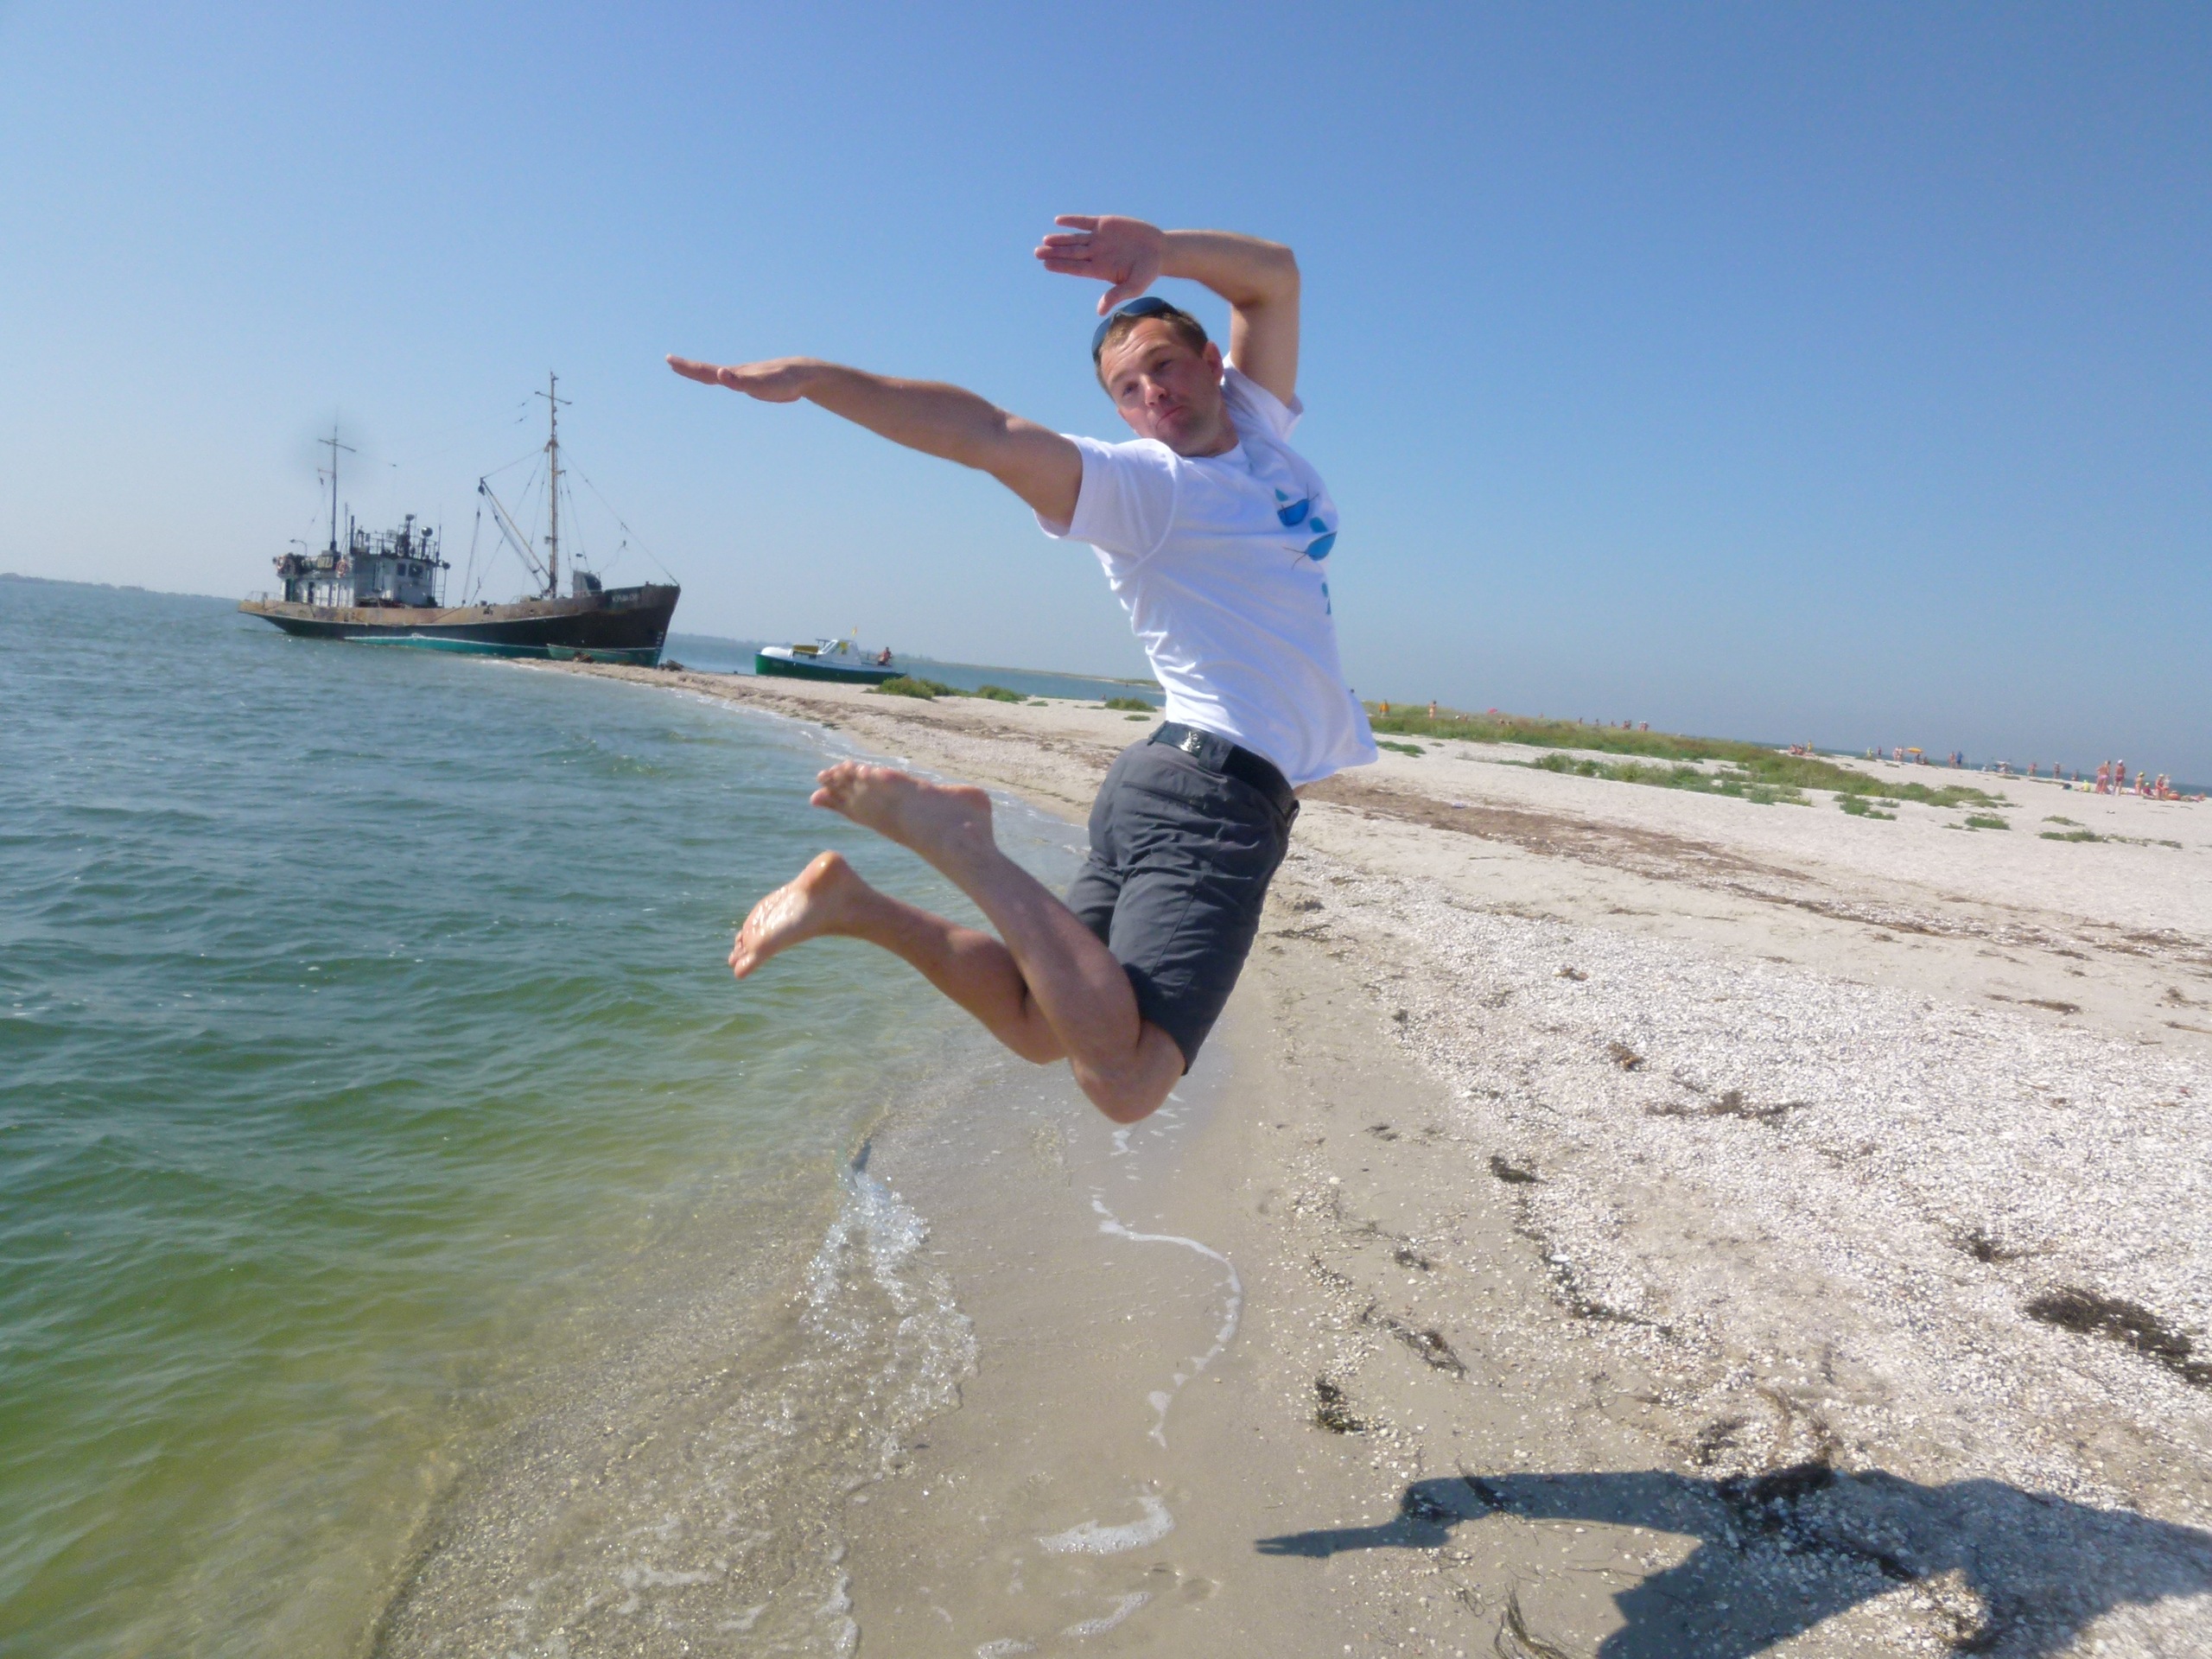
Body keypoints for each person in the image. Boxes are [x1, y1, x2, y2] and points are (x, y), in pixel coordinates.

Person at [667, 216, 1374, 1125]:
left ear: (1210, 363)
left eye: (1162, 366)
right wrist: (817, 381)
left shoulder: (1259, 431)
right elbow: (989, 433)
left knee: (1044, 1025)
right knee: (1125, 1080)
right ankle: (962, 843)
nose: (1150, 393)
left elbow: (1273, 277)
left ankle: (852, 905)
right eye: (1126, 389)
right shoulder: (1145, 488)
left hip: (1172, 784)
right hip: (1214, 794)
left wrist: (1161, 250)